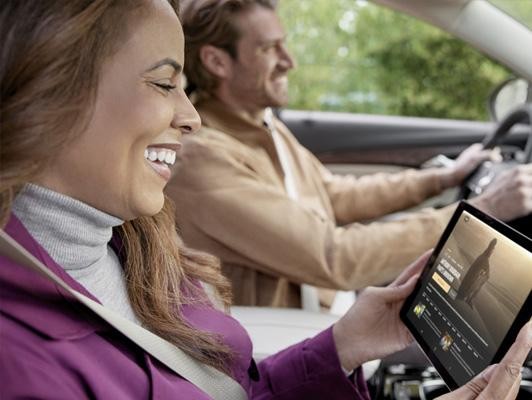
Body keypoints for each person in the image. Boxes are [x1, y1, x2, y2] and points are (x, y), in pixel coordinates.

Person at [2, 1, 530, 399]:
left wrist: (340, 346)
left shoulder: (136, 245)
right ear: (52, 96)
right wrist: (480, 210)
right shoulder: (21, 366)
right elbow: (333, 256)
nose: (190, 117)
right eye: (164, 84)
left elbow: (233, 389)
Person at [167, 0, 532, 309]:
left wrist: (441, 179)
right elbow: (334, 257)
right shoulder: (202, 160)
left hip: (322, 309)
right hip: (275, 339)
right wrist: (479, 214)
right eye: (268, 48)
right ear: (217, 62)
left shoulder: (261, 126)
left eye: (285, 44)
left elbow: (332, 196)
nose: (289, 61)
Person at [458, 238, 497, 306]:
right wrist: (486, 270)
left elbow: (487, 255)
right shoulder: (491, 248)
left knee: (475, 277)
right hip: (483, 260)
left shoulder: (490, 247)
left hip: (482, 260)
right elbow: (487, 255)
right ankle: (468, 297)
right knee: (480, 279)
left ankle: (468, 297)